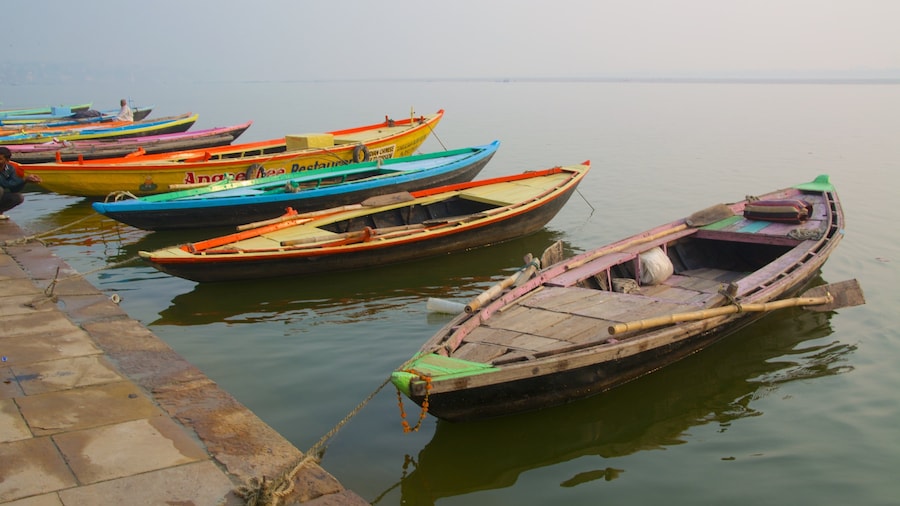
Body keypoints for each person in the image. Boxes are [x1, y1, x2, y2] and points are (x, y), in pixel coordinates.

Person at [0, 146, 42, 219]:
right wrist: (24, 180)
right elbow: (4, 183)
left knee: (18, 197)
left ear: (7, 160)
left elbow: (14, 189)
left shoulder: (10, 169)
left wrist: (25, 182)